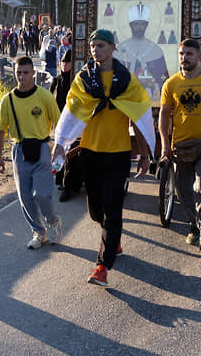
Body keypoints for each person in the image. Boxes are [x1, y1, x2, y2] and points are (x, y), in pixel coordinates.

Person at [52, 29, 155, 287]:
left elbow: (137, 117)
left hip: (118, 153)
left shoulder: (126, 80)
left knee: (112, 207)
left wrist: (144, 153)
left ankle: (102, 266)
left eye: (100, 45)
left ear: (112, 47)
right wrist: (61, 144)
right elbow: (71, 113)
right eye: (92, 46)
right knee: (96, 209)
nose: (95, 50)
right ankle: (114, 238)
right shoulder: (83, 79)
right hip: (90, 152)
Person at [159, 39, 201, 255]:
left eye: (189, 54)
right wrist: (165, 144)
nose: (184, 57)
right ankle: (194, 226)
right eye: (181, 54)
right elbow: (164, 115)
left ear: (198, 55)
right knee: (183, 190)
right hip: (181, 145)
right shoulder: (171, 83)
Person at [0, 56, 63, 249]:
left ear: (33, 73)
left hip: (42, 148)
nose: (22, 77)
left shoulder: (44, 96)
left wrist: (59, 149)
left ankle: (52, 221)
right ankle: (39, 232)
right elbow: (0, 129)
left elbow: (59, 124)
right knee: (25, 198)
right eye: (18, 73)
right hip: (19, 150)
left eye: (26, 73)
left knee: (42, 195)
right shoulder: (7, 100)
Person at [115, 2, 169, 98]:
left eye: (142, 24)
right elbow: (114, 77)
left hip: (149, 97)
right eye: (136, 24)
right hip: (125, 97)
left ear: (147, 25)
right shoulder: (120, 50)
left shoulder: (156, 50)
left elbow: (163, 79)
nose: (139, 27)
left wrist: (152, 83)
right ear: (130, 25)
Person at [50, 50, 81, 201]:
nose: (64, 65)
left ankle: (70, 185)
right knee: (59, 151)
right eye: (62, 62)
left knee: (71, 155)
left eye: (68, 62)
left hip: (73, 122)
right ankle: (59, 180)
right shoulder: (56, 81)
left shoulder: (76, 82)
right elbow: (50, 100)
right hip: (58, 123)